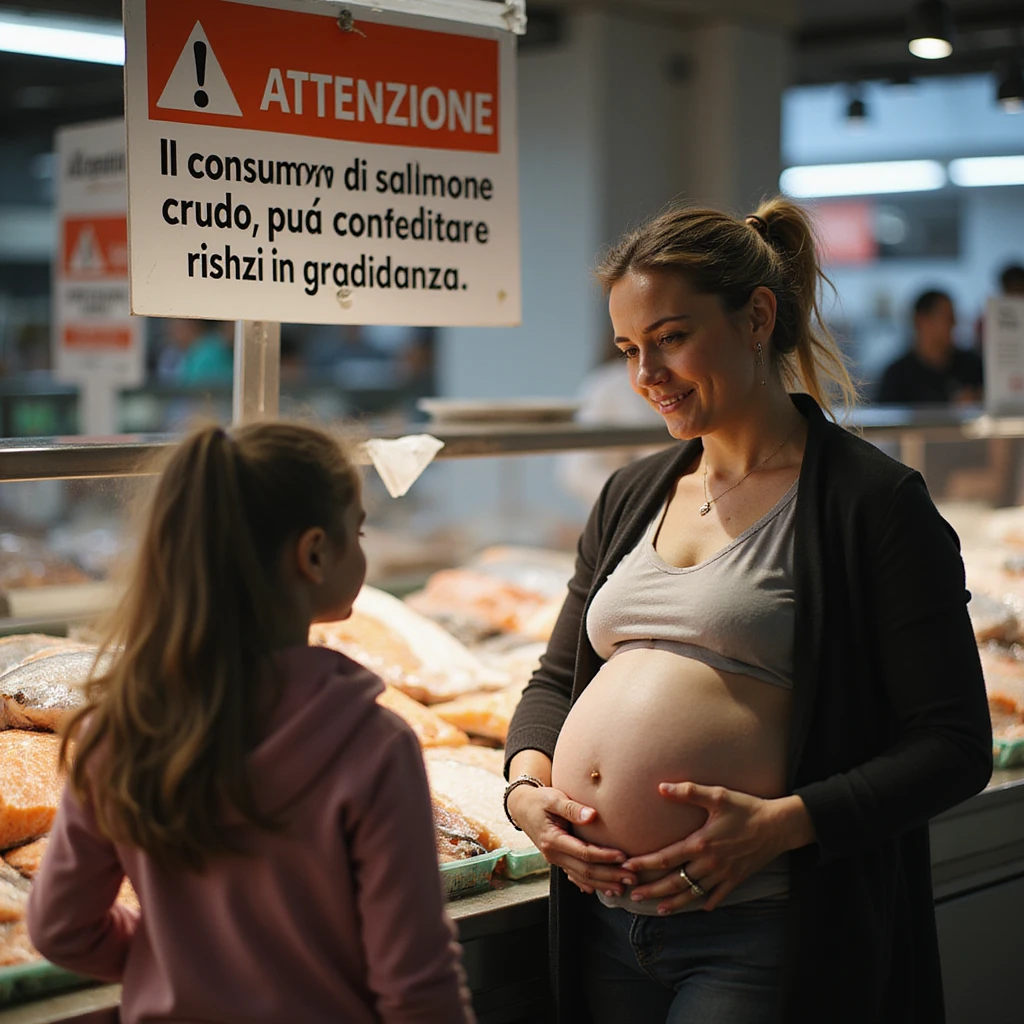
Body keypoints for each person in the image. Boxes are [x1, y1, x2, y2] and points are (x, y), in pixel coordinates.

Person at [503, 199, 992, 1024]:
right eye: (628, 348)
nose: (645, 374)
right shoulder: (632, 492)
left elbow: (953, 745)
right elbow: (555, 681)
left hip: (762, 930)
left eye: (670, 337)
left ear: (757, 316)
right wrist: (525, 791)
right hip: (601, 924)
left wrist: (781, 826)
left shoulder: (870, 503)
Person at [27, 422, 474, 1024]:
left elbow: (61, 931)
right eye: (359, 531)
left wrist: (174, 959)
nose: (363, 548)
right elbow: (415, 981)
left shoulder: (119, 728)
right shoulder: (372, 744)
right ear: (314, 552)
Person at [877, 290, 982, 405]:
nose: (954, 324)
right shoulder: (897, 376)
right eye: (948, 318)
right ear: (921, 321)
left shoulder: (972, 366)